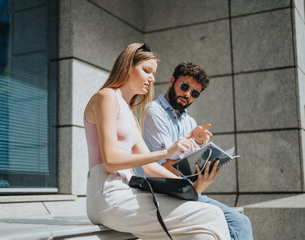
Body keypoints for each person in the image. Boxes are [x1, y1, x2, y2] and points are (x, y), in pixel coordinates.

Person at [84, 43, 231, 240]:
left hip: (126, 192)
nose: (152, 78)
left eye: (153, 73)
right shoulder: (106, 97)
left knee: (200, 234)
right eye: (147, 71)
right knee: (212, 214)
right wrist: (167, 152)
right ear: (128, 66)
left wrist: (186, 186)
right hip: (107, 195)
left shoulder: (128, 111)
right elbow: (110, 161)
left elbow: (151, 166)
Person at [134, 62, 253, 240]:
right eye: (184, 86)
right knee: (225, 227)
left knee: (241, 223)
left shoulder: (189, 121)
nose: (187, 94)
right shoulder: (154, 112)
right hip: (159, 193)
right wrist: (194, 150)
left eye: (194, 93)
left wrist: (203, 154)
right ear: (172, 81)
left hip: (185, 192)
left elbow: (187, 166)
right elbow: (162, 169)